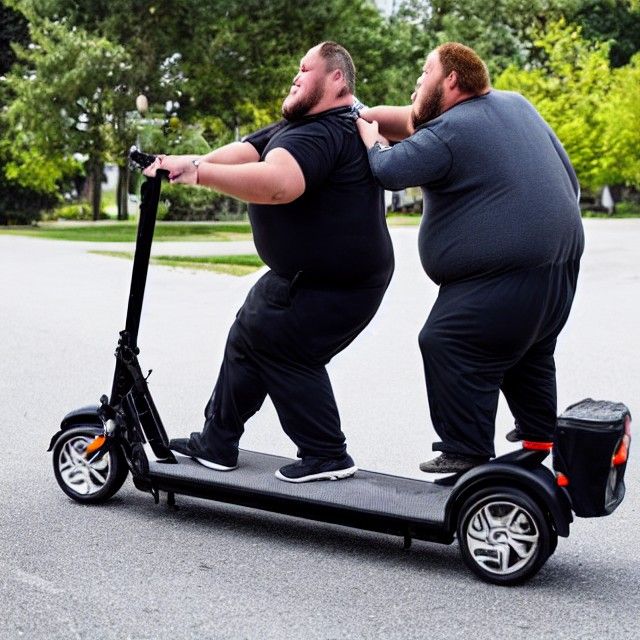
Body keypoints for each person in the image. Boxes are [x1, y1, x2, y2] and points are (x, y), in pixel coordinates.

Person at [144, 42, 394, 483]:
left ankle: (327, 453)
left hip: (339, 283)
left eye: (305, 69)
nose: (295, 76)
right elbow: (247, 150)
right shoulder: (303, 125)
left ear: (336, 78)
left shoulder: (327, 132)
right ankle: (217, 442)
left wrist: (201, 174)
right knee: (248, 331)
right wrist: (187, 164)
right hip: (305, 275)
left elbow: (279, 183)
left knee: (282, 344)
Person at [356, 42, 584, 473]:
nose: (416, 82)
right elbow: (570, 181)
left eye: (424, 73)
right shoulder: (515, 105)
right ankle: (538, 433)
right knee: (528, 351)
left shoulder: (449, 131)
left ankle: (466, 451)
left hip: (502, 275)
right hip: (558, 272)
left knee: (446, 340)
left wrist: (372, 142)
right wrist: (359, 111)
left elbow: (390, 170)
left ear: (451, 80)